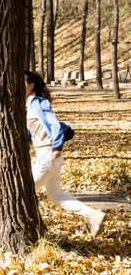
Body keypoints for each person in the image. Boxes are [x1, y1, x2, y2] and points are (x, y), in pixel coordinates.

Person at [25, 70, 106, 238]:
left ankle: (33, 231)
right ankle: (93, 215)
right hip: (46, 155)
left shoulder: (38, 102)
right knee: (55, 195)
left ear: (31, 85)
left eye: (22, 84)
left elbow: (54, 123)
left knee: (24, 191)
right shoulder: (27, 105)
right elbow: (32, 132)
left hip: (49, 154)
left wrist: (57, 147)